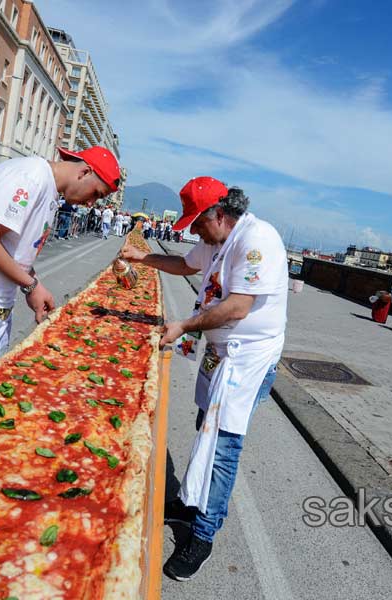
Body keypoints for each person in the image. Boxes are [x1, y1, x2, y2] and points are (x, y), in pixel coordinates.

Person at [119, 178, 288, 581]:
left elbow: (237, 307)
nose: (193, 230)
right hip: (218, 352)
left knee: (224, 444)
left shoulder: (257, 239)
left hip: (248, 357)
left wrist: (184, 324)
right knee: (203, 426)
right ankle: (190, 502)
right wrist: (140, 258)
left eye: (197, 222)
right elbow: (185, 265)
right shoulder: (214, 240)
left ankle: (204, 533)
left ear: (220, 214)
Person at [0, 145, 122, 399]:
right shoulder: (30, 176)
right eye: (97, 193)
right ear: (84, 172)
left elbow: (16, 250)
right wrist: (30, 286)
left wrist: (33, 282)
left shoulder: (48, 188)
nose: (91, 202)